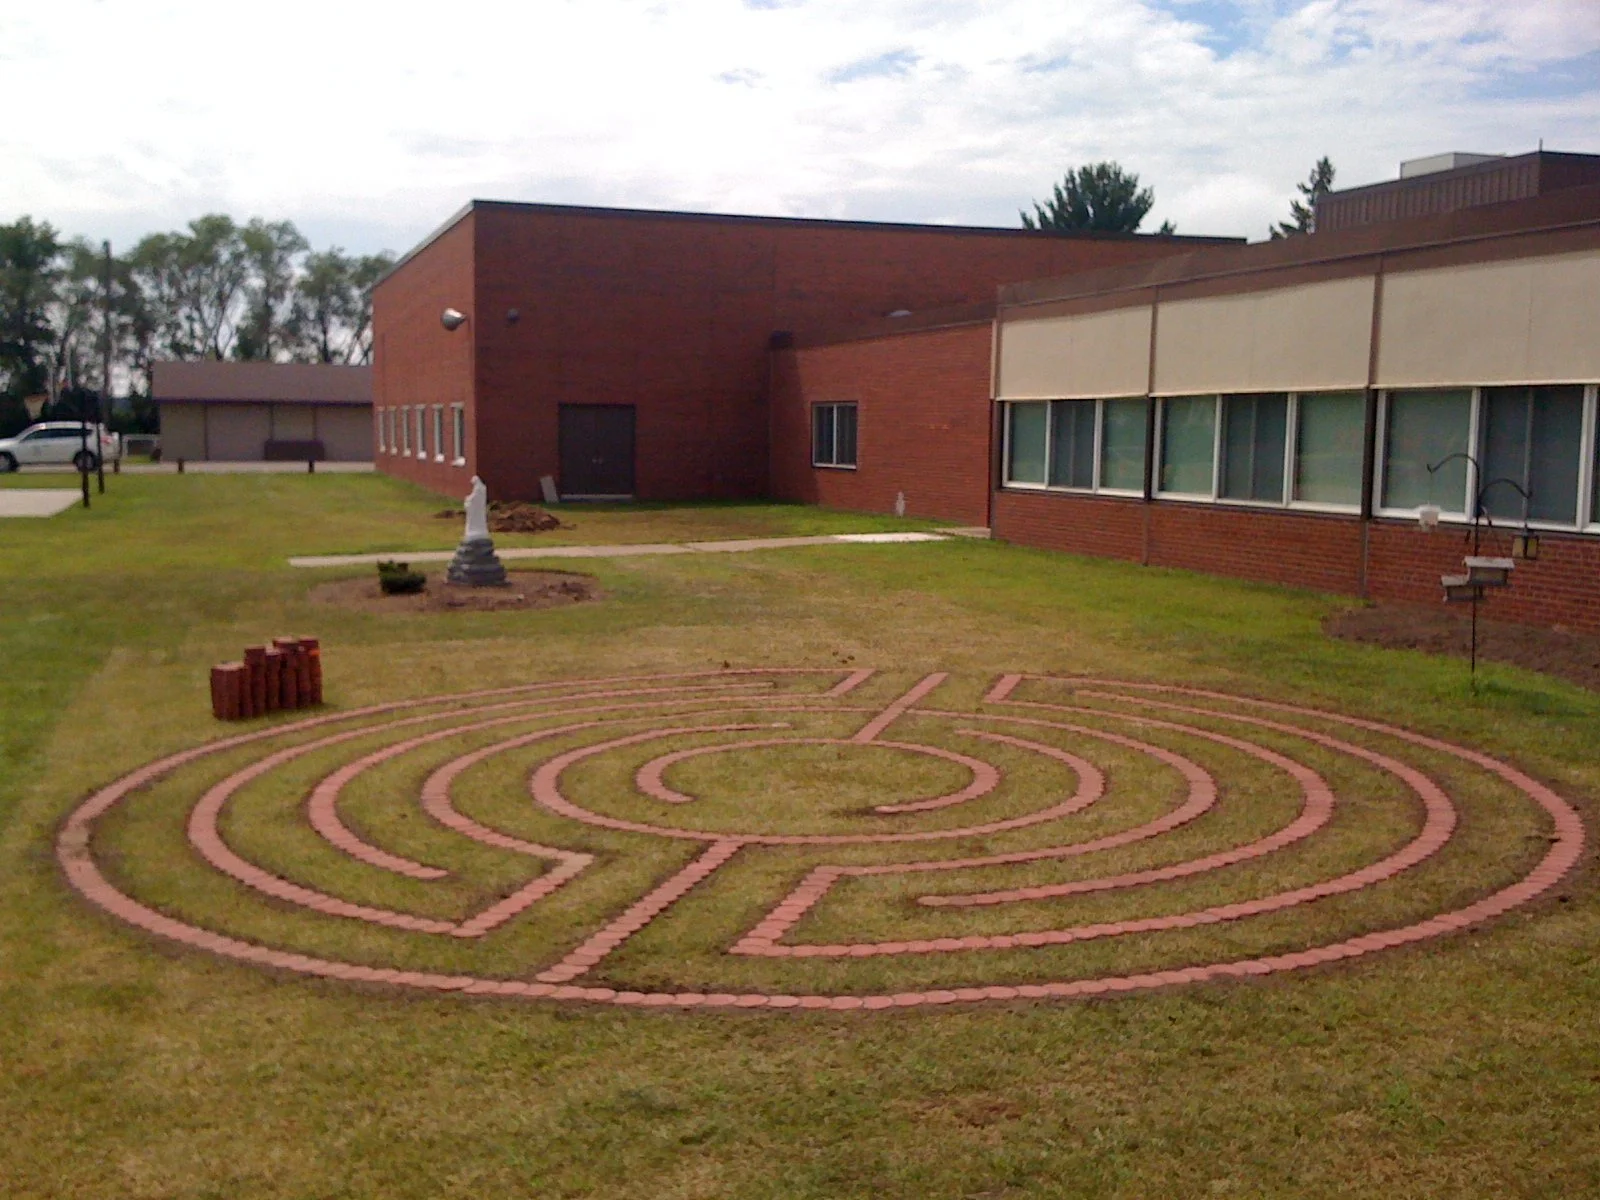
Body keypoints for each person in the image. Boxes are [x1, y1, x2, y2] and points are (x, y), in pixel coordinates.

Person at [464, 475, 489, 541]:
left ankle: (475, 531)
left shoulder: (479, 488)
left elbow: (475, 498)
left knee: (476, 520)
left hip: (477, 509)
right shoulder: (481, 488)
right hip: (477, 509)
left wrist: (468, 499)